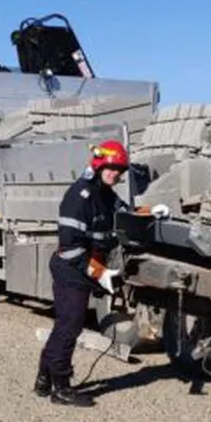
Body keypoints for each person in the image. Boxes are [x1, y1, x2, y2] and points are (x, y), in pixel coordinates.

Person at [34, 139, 129, 407]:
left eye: (119, 170)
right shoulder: (80, 196)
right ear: (99, 165)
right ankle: (61, 388)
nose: (115, 174)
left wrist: (150, 214)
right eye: (111, 168)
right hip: (70, 269)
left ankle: (43, 378)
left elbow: (126, 215)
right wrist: (100, 274)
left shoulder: (106, 194)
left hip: (83, 269)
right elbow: (72, 248)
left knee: (64, 325)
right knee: (70, 326)